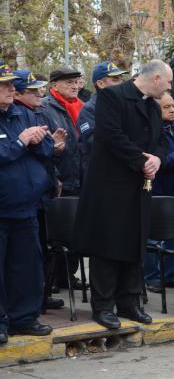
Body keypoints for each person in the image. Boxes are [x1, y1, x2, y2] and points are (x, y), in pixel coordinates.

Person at [72, 60, 172, 330]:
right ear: (156, 79)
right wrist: (142, 160)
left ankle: (129, 302)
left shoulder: (151, 106)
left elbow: (161, 139)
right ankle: (103, 306)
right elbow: (110, 135)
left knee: (134, 242)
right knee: (108, 245)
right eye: (168, 82)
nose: (170, 87)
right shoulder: (111, 97)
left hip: (139, 185)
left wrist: (157, 160)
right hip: (110, 186)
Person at [0, 68, 54, 345]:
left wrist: (35, 141)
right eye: (5, 86)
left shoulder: (25, 114)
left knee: (27, 268)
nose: (11, 89)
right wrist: (22, 141)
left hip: (26, 207)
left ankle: (24, 318)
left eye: (11, 85)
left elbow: (47, 149)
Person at [12, 69, 67, 311]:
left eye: (39, 89)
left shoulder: (33, 114)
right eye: (33, 90)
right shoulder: (18, 116)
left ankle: (35, 306)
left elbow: (45, 151)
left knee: (35, 256)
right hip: (14, 200)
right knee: (18, 261)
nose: (39, 94)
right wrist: (23, 141)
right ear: (19, 93)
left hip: (38, 195)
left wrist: (51, 146)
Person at [144, 92, 174, 293]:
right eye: (166, 107)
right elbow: (158, 159)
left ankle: (170, 275)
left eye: (173, 105)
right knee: (154, 235)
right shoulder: (150, 130)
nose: (172, 110)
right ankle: (152, 277)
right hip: (157, 188)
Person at [76, 61, 129, 180]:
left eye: (121, 79)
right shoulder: (89, 109)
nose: (121, 83)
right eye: (115, 79)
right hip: (100, 174)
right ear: (100, 83)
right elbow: (95, 141)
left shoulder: (125, 105)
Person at [41, 67, 84, 197]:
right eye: (69, 82)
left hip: (83, 178)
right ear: (54, 85)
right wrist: (54, 176)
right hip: (60, 181)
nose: (75, 86)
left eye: (76, 82)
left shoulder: (83, 106)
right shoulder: (43, 108)